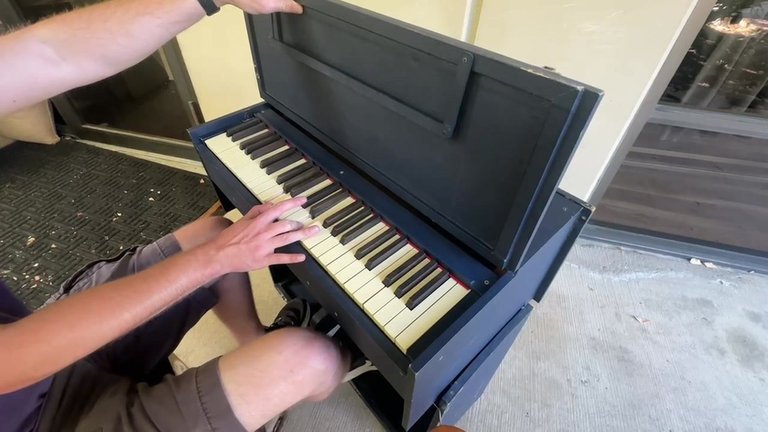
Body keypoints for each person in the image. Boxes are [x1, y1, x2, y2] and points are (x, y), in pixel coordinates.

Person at [0, 0, 352, 431]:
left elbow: (50, 52)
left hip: (42, 354)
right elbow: (10, 360)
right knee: (314, 360)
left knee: (212, 232)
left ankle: (253, 340)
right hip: (36, 418)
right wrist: (214, 260)